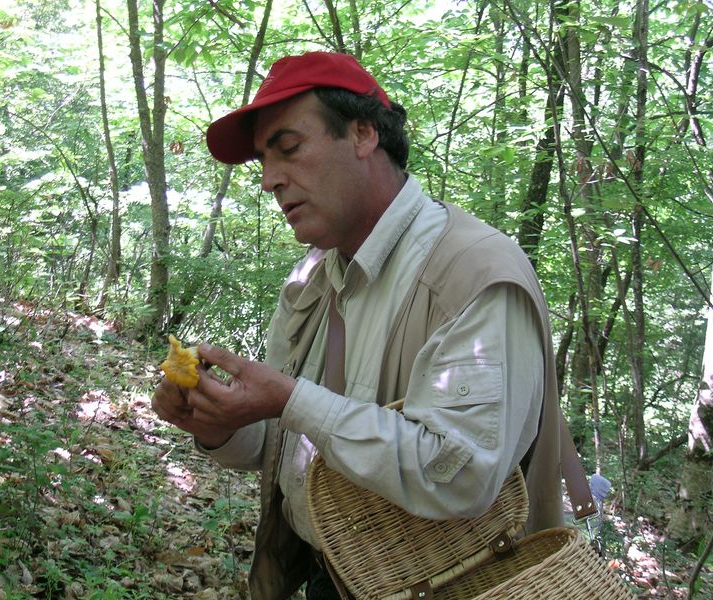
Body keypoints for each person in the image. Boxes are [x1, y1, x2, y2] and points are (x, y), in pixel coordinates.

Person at [153, 51, 564, 600]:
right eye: (262, 161)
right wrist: (215, 422)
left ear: (363, 133)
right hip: (330, 577)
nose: (270, 180)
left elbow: (464, 477)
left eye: (288, 148)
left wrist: (290, 399)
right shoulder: (312, 278)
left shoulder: (472, 273)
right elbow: (286, 445)